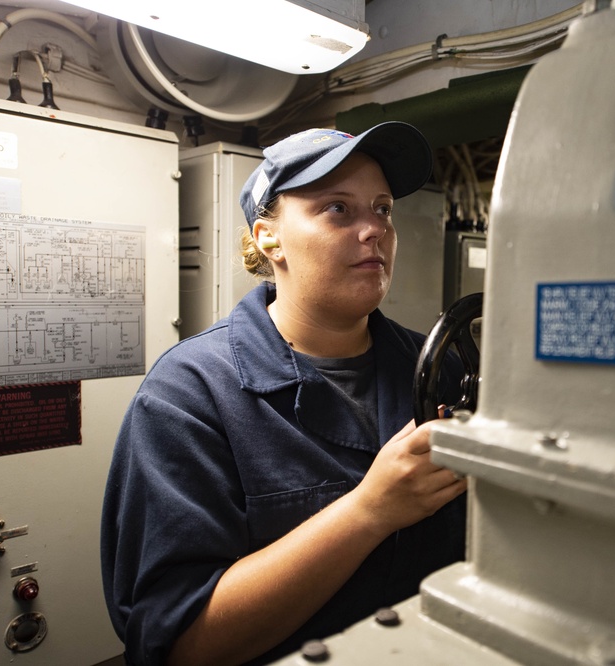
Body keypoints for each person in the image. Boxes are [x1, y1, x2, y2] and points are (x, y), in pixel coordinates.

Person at [100, 122, 468, 666]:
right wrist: (369, 511)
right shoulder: (189, 395)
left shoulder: (439, 367)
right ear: (267, 237)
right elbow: (177, 644)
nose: (374, 230)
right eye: (338, 209)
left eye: (383, 208)